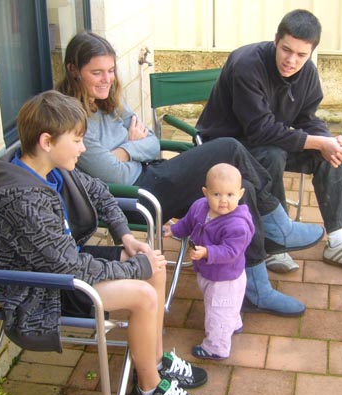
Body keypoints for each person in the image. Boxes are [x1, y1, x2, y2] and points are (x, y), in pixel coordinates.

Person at [0, 90, 209, 395]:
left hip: (62, 263)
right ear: (47, 141)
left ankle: (153, 362)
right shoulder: (21, 198)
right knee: (143, 291)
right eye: (78, 140)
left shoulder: (50, 168)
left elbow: (98, 190)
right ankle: (148, 392)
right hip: (39, 291)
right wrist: (132, 267)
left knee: (153, 264)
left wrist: (125, 236)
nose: (84, 148)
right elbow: (67, 268)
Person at [56, 31, 325, 318]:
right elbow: (117, 177)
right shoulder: (73, 119)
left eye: (110, 70)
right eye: (96, 72)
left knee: (238, 188)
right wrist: (131, 144)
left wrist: (125, 150)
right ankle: (279, 227)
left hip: (154, 176)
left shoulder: (109, 101)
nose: (107, 79)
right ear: (73, 71)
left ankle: (257, 287)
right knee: (229, 149)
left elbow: (152, 143)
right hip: (135, 199)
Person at [196, 8, 342, 274]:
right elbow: (260, 131)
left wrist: (328, 142)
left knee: (326, 152)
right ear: (276, 40)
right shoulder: (246, 64)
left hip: (264, 143)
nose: (291, 61)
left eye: (301, 55)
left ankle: (339, 240)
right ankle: (275, 239)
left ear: (311, 53)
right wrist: (318, 141)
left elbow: (308, 117)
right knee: (273, 153)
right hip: (224, 146)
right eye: (286, 50)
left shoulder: (307, 73)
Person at [164, 163, 254, 360]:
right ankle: (233, 323)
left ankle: (216, 347)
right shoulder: (200, 207)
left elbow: (231, 251)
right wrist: (175, 229)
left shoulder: (237, 225)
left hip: (225, 278)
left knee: (217, 310)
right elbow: (188, 222)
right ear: (206, 192)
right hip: (209, 272)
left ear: (240, 194)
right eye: (216, 194)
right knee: (224, 305)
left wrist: (207, 252)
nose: (223, 201)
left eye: (230, 195)